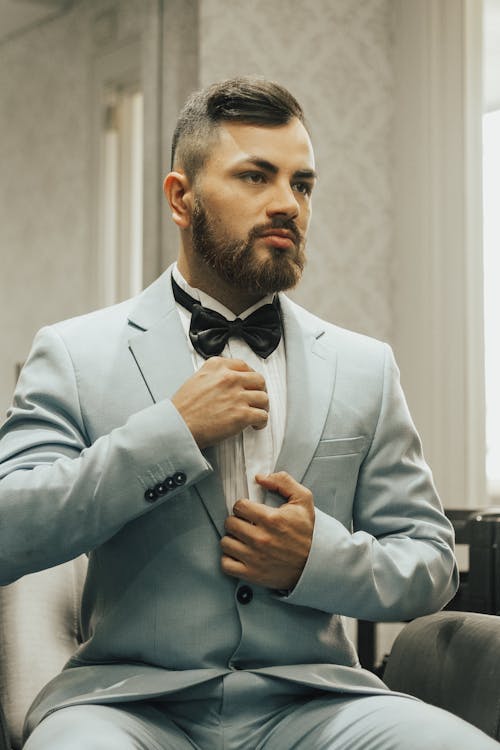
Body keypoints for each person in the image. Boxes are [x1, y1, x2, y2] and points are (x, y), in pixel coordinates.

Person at [0, 76, 496, 750]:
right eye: (256, 176)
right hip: (127, 706)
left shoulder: (365, 366)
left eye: (302, 184)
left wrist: (315, 559)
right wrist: (167, 435)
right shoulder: (75, 353)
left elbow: (432, 563)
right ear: (182, 198)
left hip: (319, 703)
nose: (287, 204)